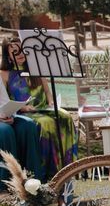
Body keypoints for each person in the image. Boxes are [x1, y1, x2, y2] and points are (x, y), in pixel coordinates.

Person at [1, 38, 77, 179]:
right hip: (22, 112)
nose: (20, 54)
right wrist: (22, 107)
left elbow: (48, 92)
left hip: (43, 108)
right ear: (8, 55)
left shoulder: (36, 68)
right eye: (15, 51)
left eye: (23, 50)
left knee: (65, 116)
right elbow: (4, 99)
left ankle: (67, 167)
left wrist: (52, 103)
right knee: (45, 123)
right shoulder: (4, 73)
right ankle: (48, 170)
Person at [0, 81, 44, 191]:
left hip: (3, 116)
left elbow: (4, 102)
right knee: (5, 131)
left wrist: (9, 114)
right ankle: (8, 186)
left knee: (28, 126)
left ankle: (34, 182)